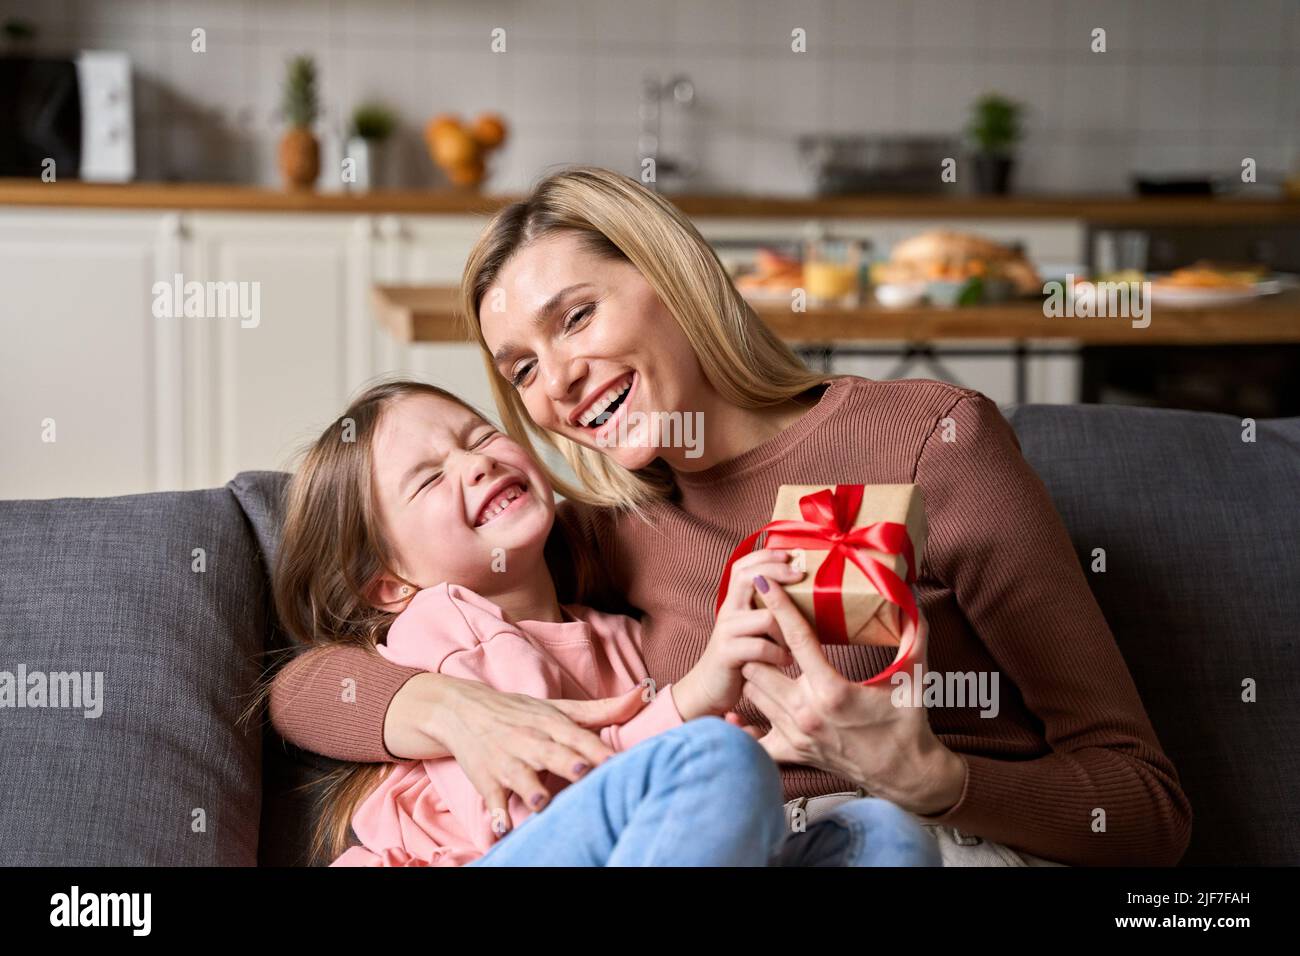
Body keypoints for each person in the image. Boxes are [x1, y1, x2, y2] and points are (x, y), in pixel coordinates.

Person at [270, 167, 1192, 866]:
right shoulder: (615, 526)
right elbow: (304, 687)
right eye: (519, 368)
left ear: (674, 279)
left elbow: (1147, 805)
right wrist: (451, 709)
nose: (554, 384)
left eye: (577, 318)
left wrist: (935, 780)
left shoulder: (930, 446)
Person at [275, 378, 940, 866]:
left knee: (884, 834)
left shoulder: (613, 634)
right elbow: (532, 801)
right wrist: (693, 699)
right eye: (427, 480)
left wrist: (791, 744)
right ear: (390, 583)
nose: (475, 462)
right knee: (718, 759)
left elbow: (664, 789)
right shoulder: (437, 623)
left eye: (479, 436)